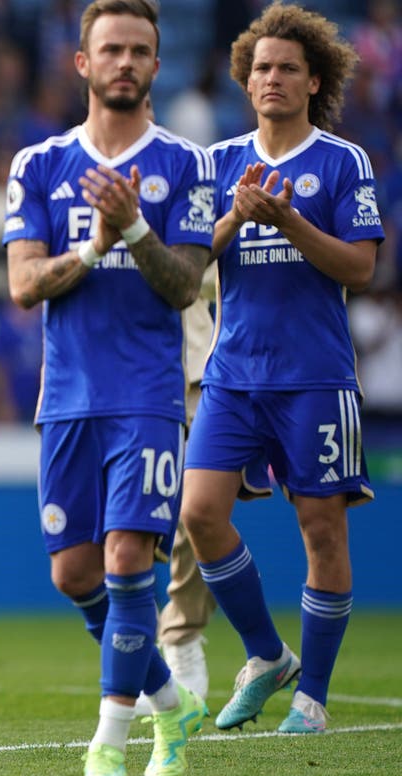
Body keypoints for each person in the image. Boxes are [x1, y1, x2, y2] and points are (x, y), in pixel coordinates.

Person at [3, 1, 214, 776]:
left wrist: (132, 229)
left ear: (156, 66)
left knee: (130, 560)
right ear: (82, 64)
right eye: (111, 50)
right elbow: (24, 286)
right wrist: (94, 243)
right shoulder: (40, 165)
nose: (125, 62)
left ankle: (110, 747)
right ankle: (167, 701)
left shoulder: (188, 165)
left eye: (140, 51)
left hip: (147, 396)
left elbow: (185, 284)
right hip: (67, 398)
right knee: (74, 575)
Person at [181, 3, 381, 735]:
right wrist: (237, 218)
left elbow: (360, 267)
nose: (271, 78)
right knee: (200, 512)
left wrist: (289, 221)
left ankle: (313, 698)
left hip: (316, 377)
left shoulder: (341, 162)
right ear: (246, 78)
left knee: (321, 529)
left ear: (312, 80)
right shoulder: (218, 163)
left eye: (287, 68)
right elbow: (186, 266)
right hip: (233, 375)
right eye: (261, 67)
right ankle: (267, 656)